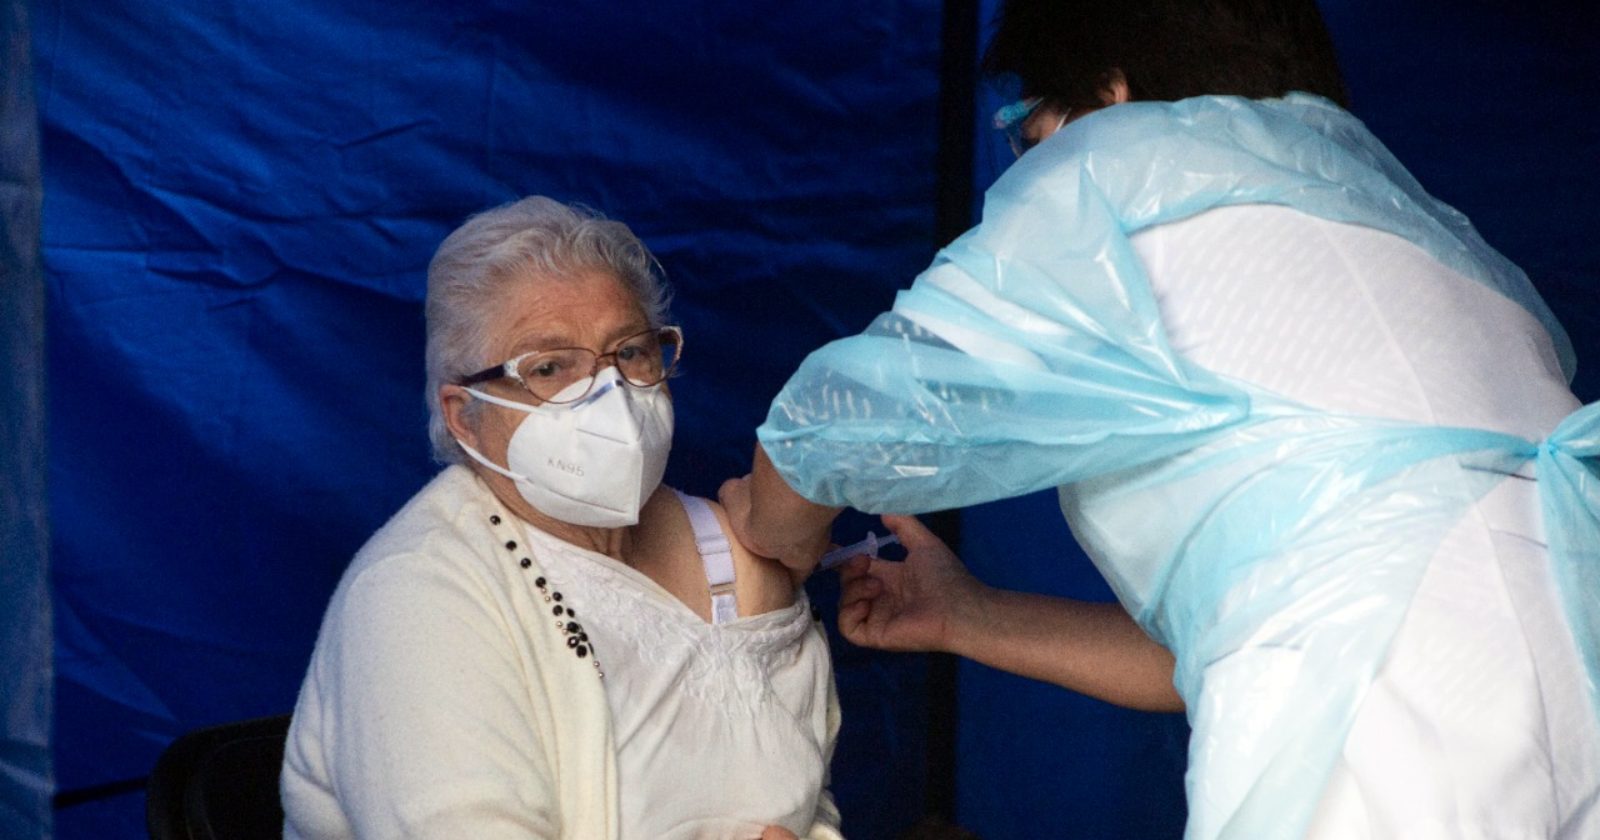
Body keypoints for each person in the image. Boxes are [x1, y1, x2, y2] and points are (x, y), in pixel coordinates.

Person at [719, 1, 1600, 838]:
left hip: (1391, 739)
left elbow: (840, 423)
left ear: (1110, 99)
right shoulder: (1425, 241)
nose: (1026, 168)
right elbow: (1255, 627)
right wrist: (967, 614)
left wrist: (767, 526)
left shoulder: (1121, 173)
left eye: (1028, 130)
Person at [281, 197, 841, 840]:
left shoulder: (734, 554)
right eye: (549, 367)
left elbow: (807, 802)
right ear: (465, 416)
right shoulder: (417, 591)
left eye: (631, 352)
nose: (608, 394)